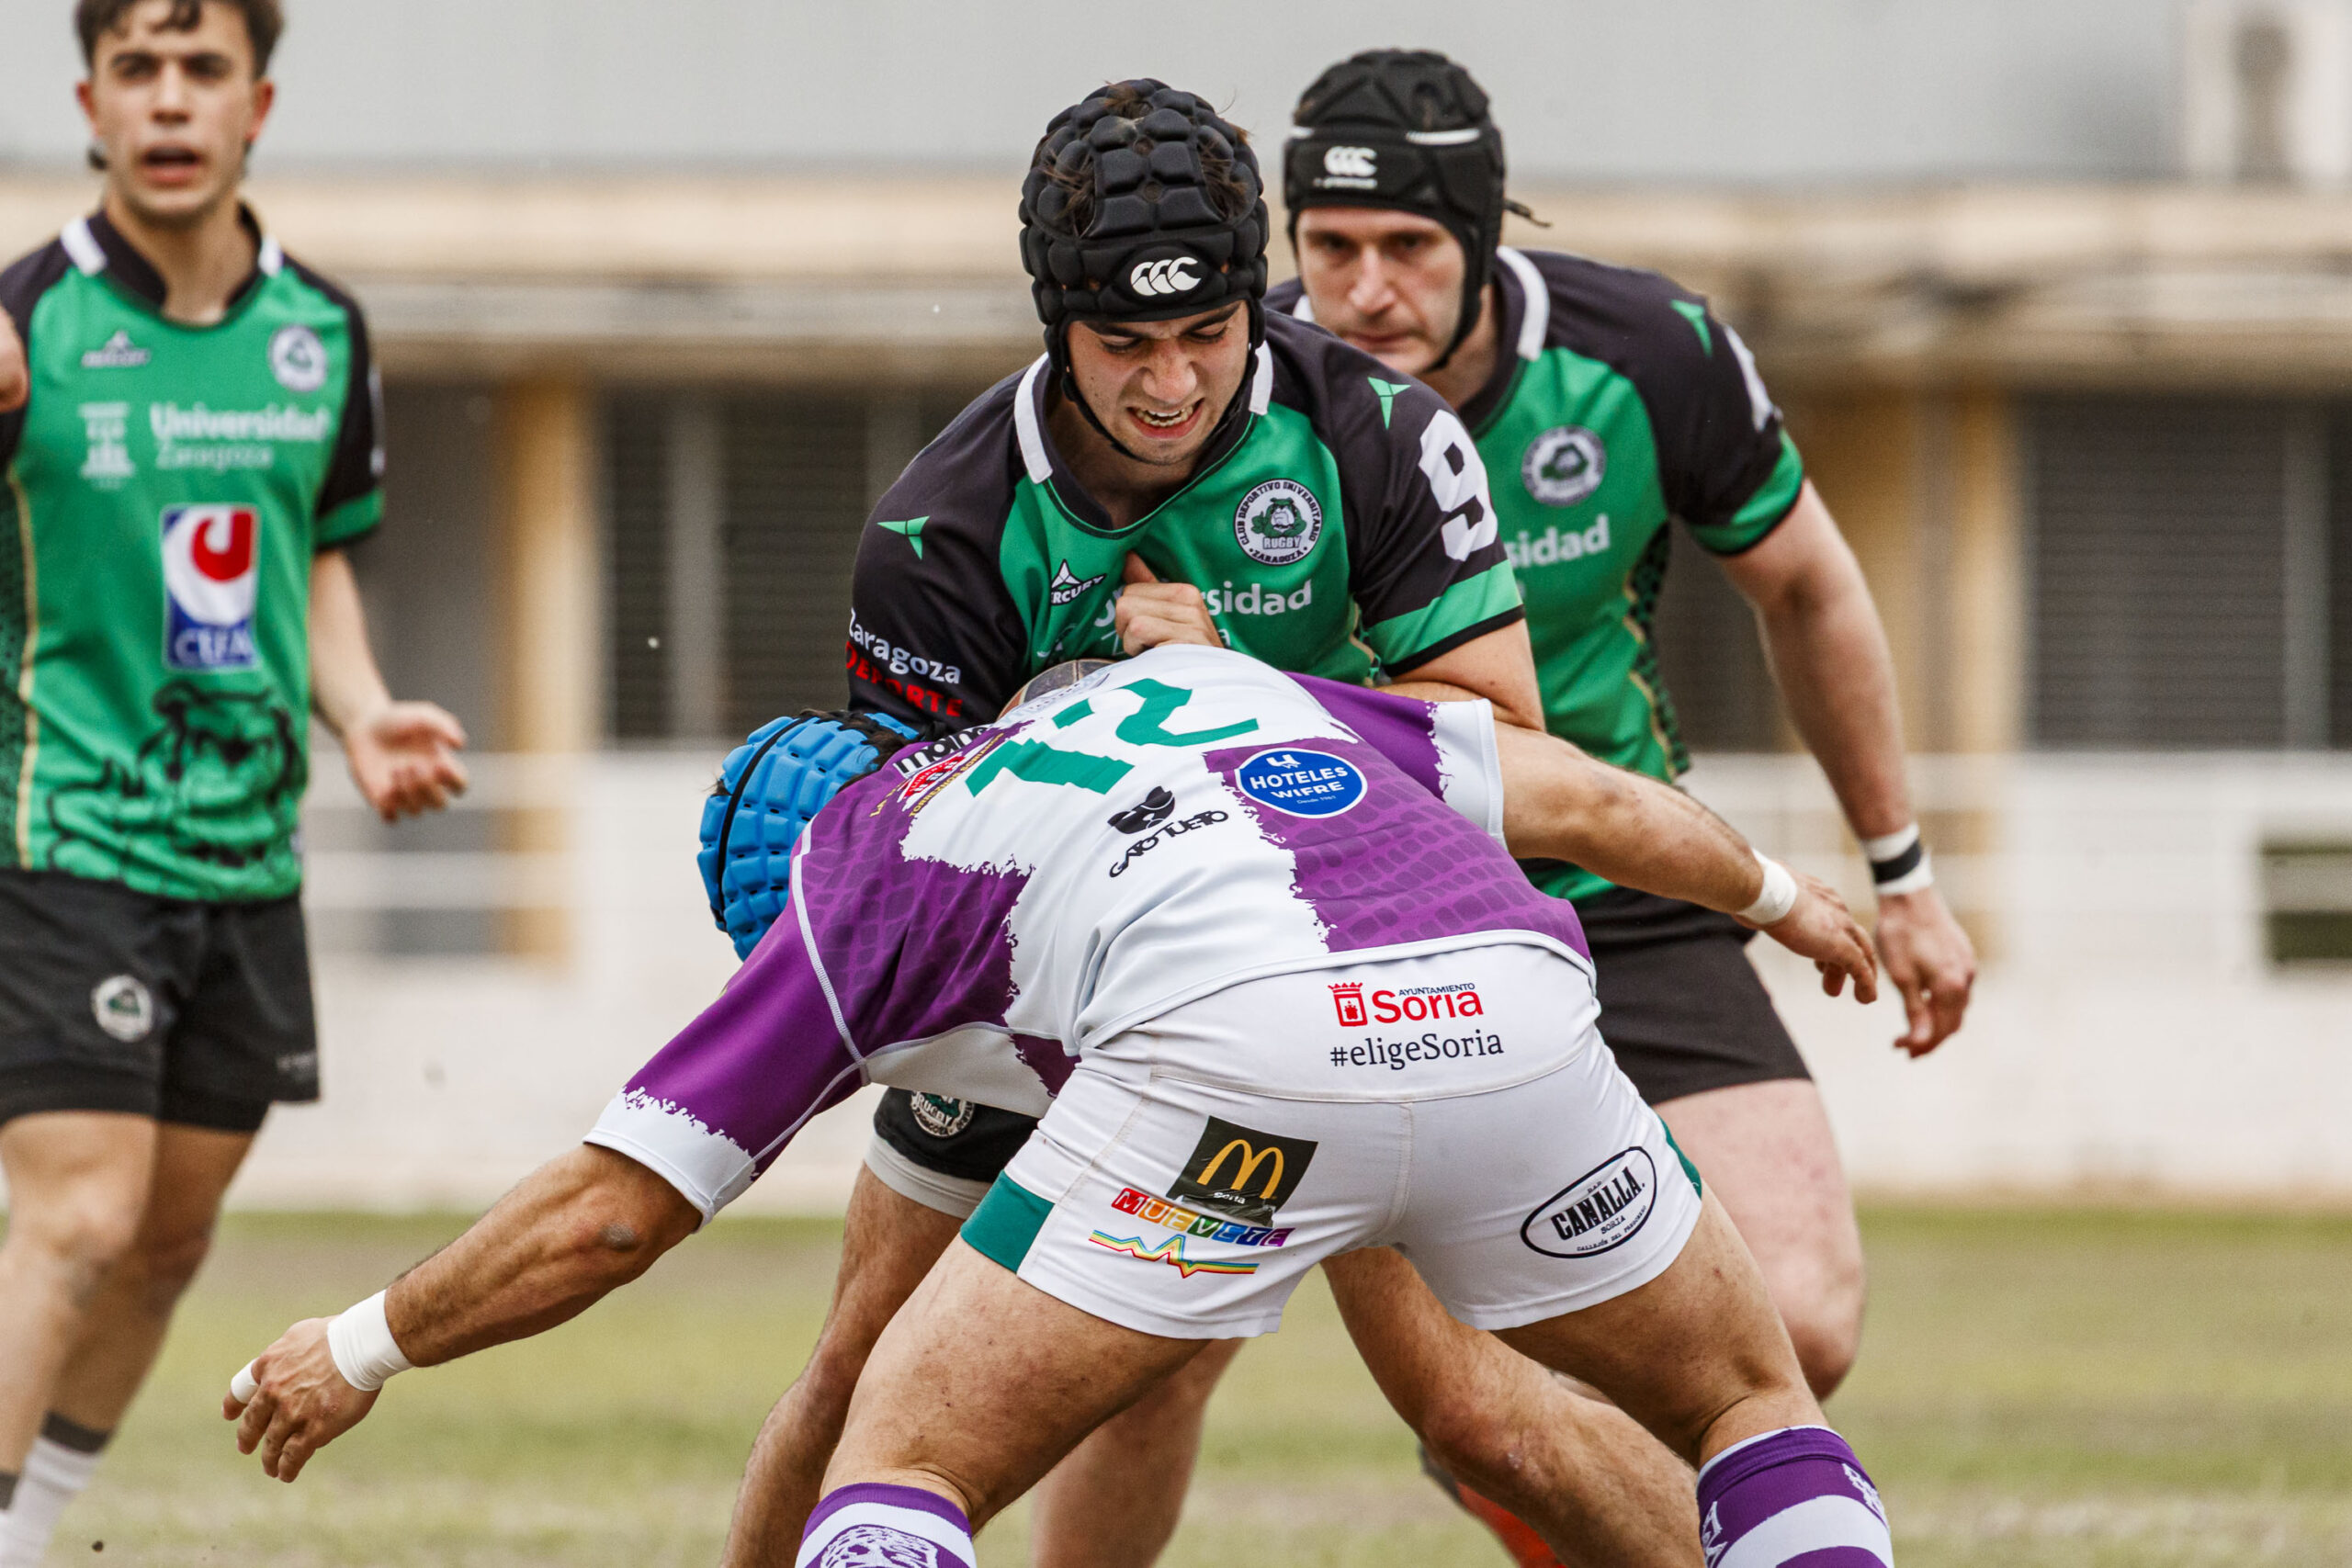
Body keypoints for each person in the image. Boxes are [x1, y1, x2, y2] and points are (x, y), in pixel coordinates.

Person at [225, 647, 1894, 1568]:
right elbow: (1583, 794)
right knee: (1752, 1403)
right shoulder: (1217, 685)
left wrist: (361, 1341)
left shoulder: (847, 885)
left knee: (901, 1459)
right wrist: (1782, 896)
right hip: (1516, 1014)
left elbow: (611, 1209)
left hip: (1236, 1068)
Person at [731, 76, 1560, 1566]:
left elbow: (1506, 751)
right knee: (869, 1373)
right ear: (1056, 323)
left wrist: (1230, 687)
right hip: (1050, 993)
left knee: (1474, 1409)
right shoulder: (943, 533)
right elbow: (920, 868)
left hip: (1339, 965)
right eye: (1125, 345)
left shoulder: (1375, 431)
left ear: (1258, 296)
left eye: (1207, 333)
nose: (1171, 383)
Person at [1247, 48, 1981, 1565]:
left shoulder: (1648, 356)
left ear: (1484, 237)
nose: (1364, 289)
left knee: (1803, 1319)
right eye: (1328, 248)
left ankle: (1525, 1464)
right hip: (1341, 914)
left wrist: (1899, 871)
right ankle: (1514, 1446)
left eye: (1407, 249)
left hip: (1614, 872)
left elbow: (1811, 587)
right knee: (1149, 1364)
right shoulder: (1239, 388)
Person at [0, 4, 466, 1560]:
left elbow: (313, 566)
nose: (172, 99)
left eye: (203, 70)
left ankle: (39, 1524)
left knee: (165, 1242)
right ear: (90, 102)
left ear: (256, 102)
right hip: (60, 831)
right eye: (140, 69)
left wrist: (365, 712)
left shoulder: (321, 333)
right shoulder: (24, 323)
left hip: (246, 857)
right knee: (75, 1221)